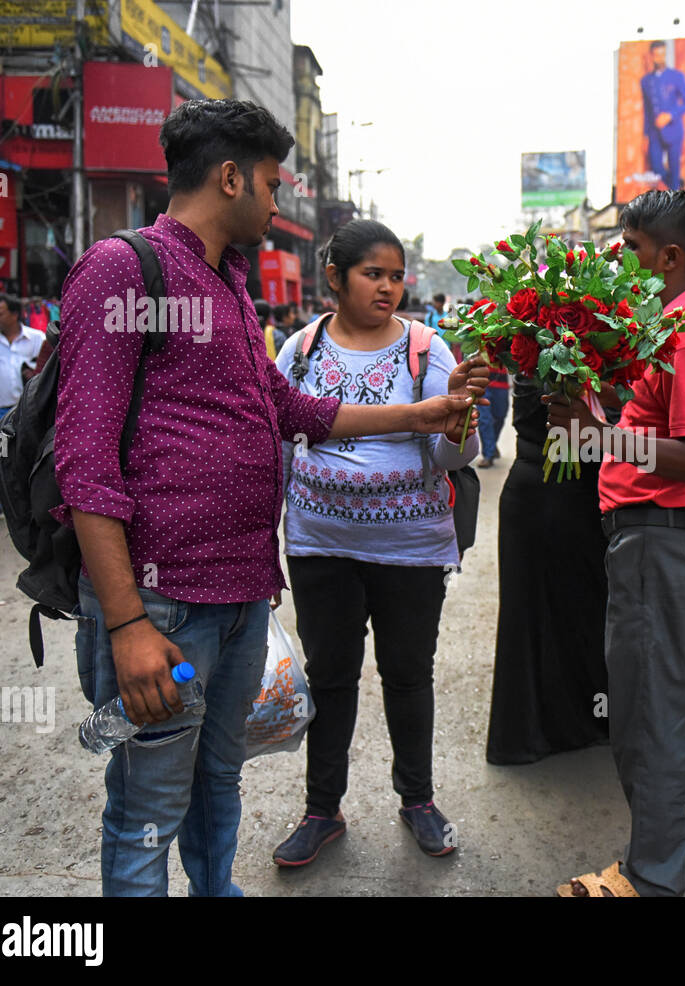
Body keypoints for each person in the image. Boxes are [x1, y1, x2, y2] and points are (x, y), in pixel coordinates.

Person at [54, 98, 478, 897]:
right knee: (147, 802)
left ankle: (216, 889)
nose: (279, 203)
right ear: (229, 177)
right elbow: (86, 465)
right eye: (272, 185)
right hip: (163, 601)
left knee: (219, 778)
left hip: (244, 593)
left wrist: (423, 412)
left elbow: (293, 412)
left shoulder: (229, 283)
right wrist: (126, 622)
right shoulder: (124, 270)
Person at [270, 219, 485, 865]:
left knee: (408, 677)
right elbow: (279, 444)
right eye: (373, 274)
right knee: (329, 678)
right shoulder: (300, 349)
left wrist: (457, 421)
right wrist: (264, 541)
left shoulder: (427, 350)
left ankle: (417, 800)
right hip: (318, 548)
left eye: (396, 275)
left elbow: (458, 458)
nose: (388, 287)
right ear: (334, 277)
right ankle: (321, 810)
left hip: (409, 552)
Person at [546, 189, 685, 897]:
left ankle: (650, 876)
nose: (617, 259)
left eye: (628, 248)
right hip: (668, 539)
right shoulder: (670, 328)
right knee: (674, 692)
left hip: (661, 539)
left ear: (670, 256)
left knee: (646, 710)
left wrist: (600, 437)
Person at [484, 371, 612, 765]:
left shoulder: (527, 346)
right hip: (562, 491)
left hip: (552, 492)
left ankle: (527, 733)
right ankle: (580, 722)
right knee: (571, 614)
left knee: (555, 614)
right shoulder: (548, 354)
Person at [0, 293, 44, 524]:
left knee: (27, 455)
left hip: (24, 411)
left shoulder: (35, 338)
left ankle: (28, 503)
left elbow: (47, 369)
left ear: (14, 314)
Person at [640, 41, 685, 192]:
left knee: (674, 167)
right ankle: (676, 186)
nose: (659, 58)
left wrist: (670, 115)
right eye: (656, 55)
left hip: (674, 130)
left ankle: (675, 196)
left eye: (662, 54)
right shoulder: (646, 81)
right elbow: (646, 110)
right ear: (652, 56)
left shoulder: (676, 76)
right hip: (654, 132)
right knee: (656, 167)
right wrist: (645, 135)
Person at [475, 361, 509, 467]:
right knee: (485, 419)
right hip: (482, 381)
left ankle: (492, 444)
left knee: (500, 416)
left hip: (501, 382)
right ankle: (488, 454)